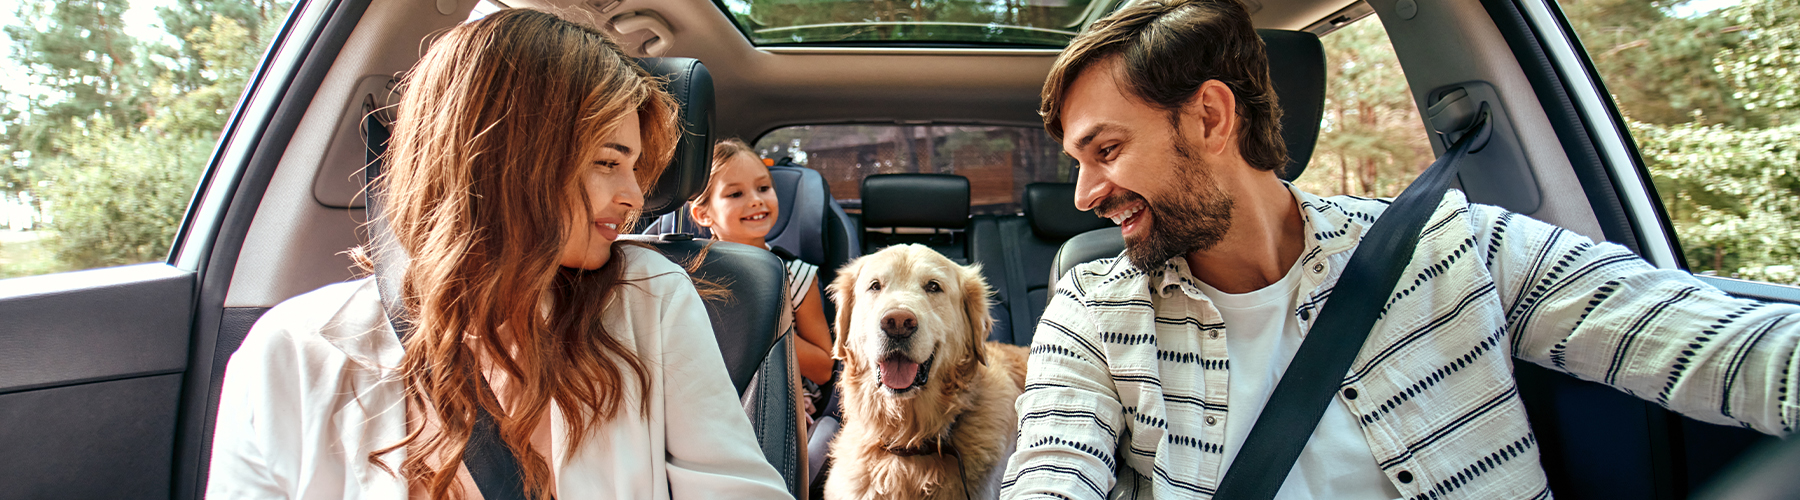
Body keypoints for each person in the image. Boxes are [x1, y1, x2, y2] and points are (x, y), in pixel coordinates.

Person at [1001, 1, 1800, 499]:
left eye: (1104, 151)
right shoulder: (1091, 307)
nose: (1084, 196)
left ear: (1211, 118)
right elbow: (1053, 472)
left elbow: (1715, 345)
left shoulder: (1455, 248)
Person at [206, 9, 790, 499]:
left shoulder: (648, 297)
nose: (635, 197)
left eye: (636, 169)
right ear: (505, 162)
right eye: (608, 162)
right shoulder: (286, 351)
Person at [690, 139, 835, 423]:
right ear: (703, 213)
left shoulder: (797, 276)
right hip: (705, 402)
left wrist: (762, 329)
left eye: (763, 188)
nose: (756, 200)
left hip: (780, 402)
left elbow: (823, 369)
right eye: (735, 194)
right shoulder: (690, 277)